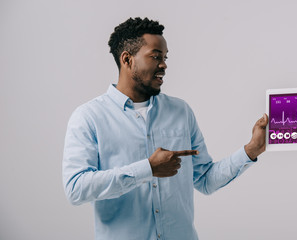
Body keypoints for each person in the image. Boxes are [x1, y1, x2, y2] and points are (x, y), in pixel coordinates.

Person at [63, 17, 268, 240]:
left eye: (165, 57)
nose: (164, 64)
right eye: (155, 56)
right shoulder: (89, 117)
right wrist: (147, 169)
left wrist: (250, 151)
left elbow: (206, 179)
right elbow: (75, 188)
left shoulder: (181, 112)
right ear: (127, 59)